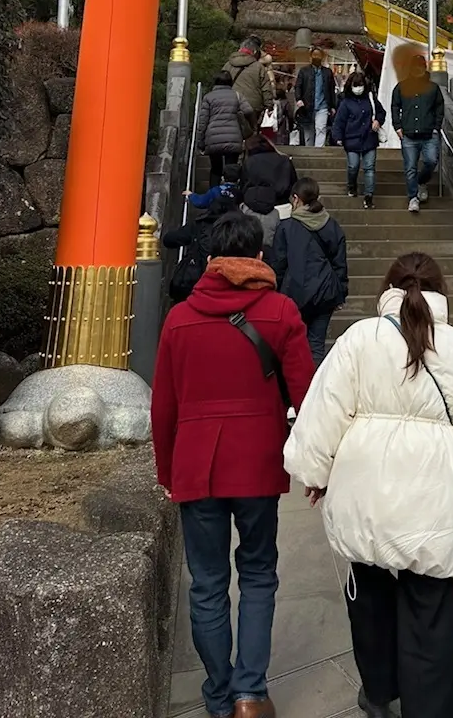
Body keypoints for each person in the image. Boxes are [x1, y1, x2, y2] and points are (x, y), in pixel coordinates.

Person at [284, 252, 453, 718]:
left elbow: (325, 410)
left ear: (386, 288)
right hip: (433, 498)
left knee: (369, 595)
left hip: (366, 492)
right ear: (441, 292)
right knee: (430, 609)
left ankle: (380, 693)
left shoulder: (359, 338)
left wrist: (316, 474)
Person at [151, 211, 315, 718]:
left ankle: (219, 695)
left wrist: (166, 473)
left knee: (207, 583)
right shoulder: (282, 311)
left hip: (196, 465)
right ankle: (250, 692)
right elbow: (307, 396)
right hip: (258, 462)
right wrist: (314, 463)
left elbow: (164, 408)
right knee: (259, 573)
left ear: (211, 259)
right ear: (259, 256)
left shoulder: (179, 318)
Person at [269, 178, 348, 366]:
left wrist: (274, 292)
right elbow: (340, 263)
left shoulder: (287, 227)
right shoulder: (332, 225)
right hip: (325, 292)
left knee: (293, 344)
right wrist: (340, 293)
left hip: (294, 292)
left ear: (296, 199)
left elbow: (279, 265)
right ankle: (315, 388)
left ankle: (297, 389)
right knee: (316, 345)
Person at [391, 47, 444, 214]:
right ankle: (413, 197)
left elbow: (439, 108)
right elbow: (394, 106)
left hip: (429, 133)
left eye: (421, 66)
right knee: (410, 167)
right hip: (408, 134)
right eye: (415, 66)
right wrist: (397, 126)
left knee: (431, 161)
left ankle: (421, 182)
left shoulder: (433, 88)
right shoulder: (401, 87)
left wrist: (436, 127)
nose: (418, 69)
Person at [163, 193, 240, 304]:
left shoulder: (199, 224)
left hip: (196, 282)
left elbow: (169, 240)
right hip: (231, 284)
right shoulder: (241, 229)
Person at [331, 70, 386, 209]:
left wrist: (378, 121)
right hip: (351, 139)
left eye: (360, 85)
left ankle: (369, 196)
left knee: (369, 168)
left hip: (369, 137)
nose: (358, 88)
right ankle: (352, 185)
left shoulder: (371, 99)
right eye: (356, 85)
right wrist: (337, 137)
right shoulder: (345, 103)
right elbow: (339, 121)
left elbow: (381, 112)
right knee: (353, 166)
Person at [240, 134, 298, 251]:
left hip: (253, 208)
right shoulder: (284, 160)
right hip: (282, 207)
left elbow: (244, 187)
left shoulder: (249, 162)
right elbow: (294, 183)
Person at [198, 71, 254, 186]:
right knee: (232, 168)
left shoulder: (208, 97)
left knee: (215, 169)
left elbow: (203, 122)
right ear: (230, 82)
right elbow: (248, 110)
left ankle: (213, 197)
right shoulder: (237, 95)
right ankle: (231, 196)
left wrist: (200, 142)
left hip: (213, 138)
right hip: (233, 137)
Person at [224, 39, 274, 127]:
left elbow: (221, 84)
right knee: (251, 133)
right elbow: (266, 89)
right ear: (254, 51)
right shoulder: (259, 67)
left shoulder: (228, 65)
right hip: (253, 107)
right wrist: (269, 106)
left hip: (231, 104)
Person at [294, 47, 337, 147]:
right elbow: (298, 86)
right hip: (307, 105)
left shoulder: (327, 72)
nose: (316, 57)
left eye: (318, 55)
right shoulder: (304, 71)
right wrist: (299, 99)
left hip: (323, 106)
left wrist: (332, 106)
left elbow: (331, 89)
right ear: (310, 57)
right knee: (308, 131)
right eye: (314, 55)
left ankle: (319, 151)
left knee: (321, 128)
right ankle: (309, 151)